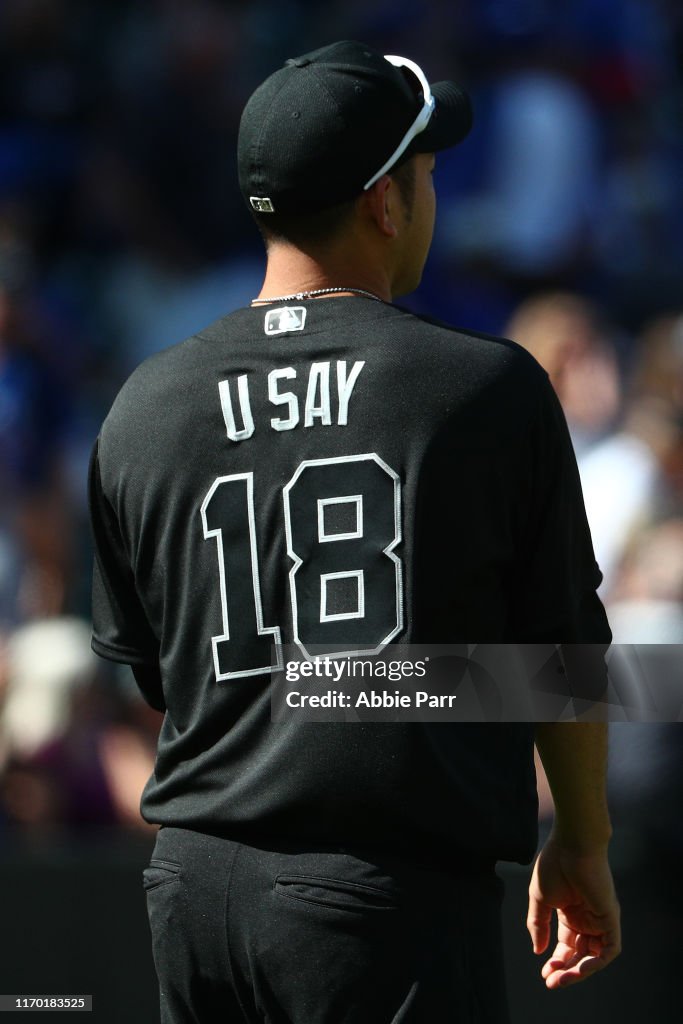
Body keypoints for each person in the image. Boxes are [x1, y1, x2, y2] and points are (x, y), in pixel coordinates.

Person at [88, 40, 620, 1024]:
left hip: (191, 894)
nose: (430, 192)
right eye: (421, 170)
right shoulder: (483, 388)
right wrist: (580, 841)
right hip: (381, 898)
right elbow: (561, 650)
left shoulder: (142, 405)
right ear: (382, 200)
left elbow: (156, 676)